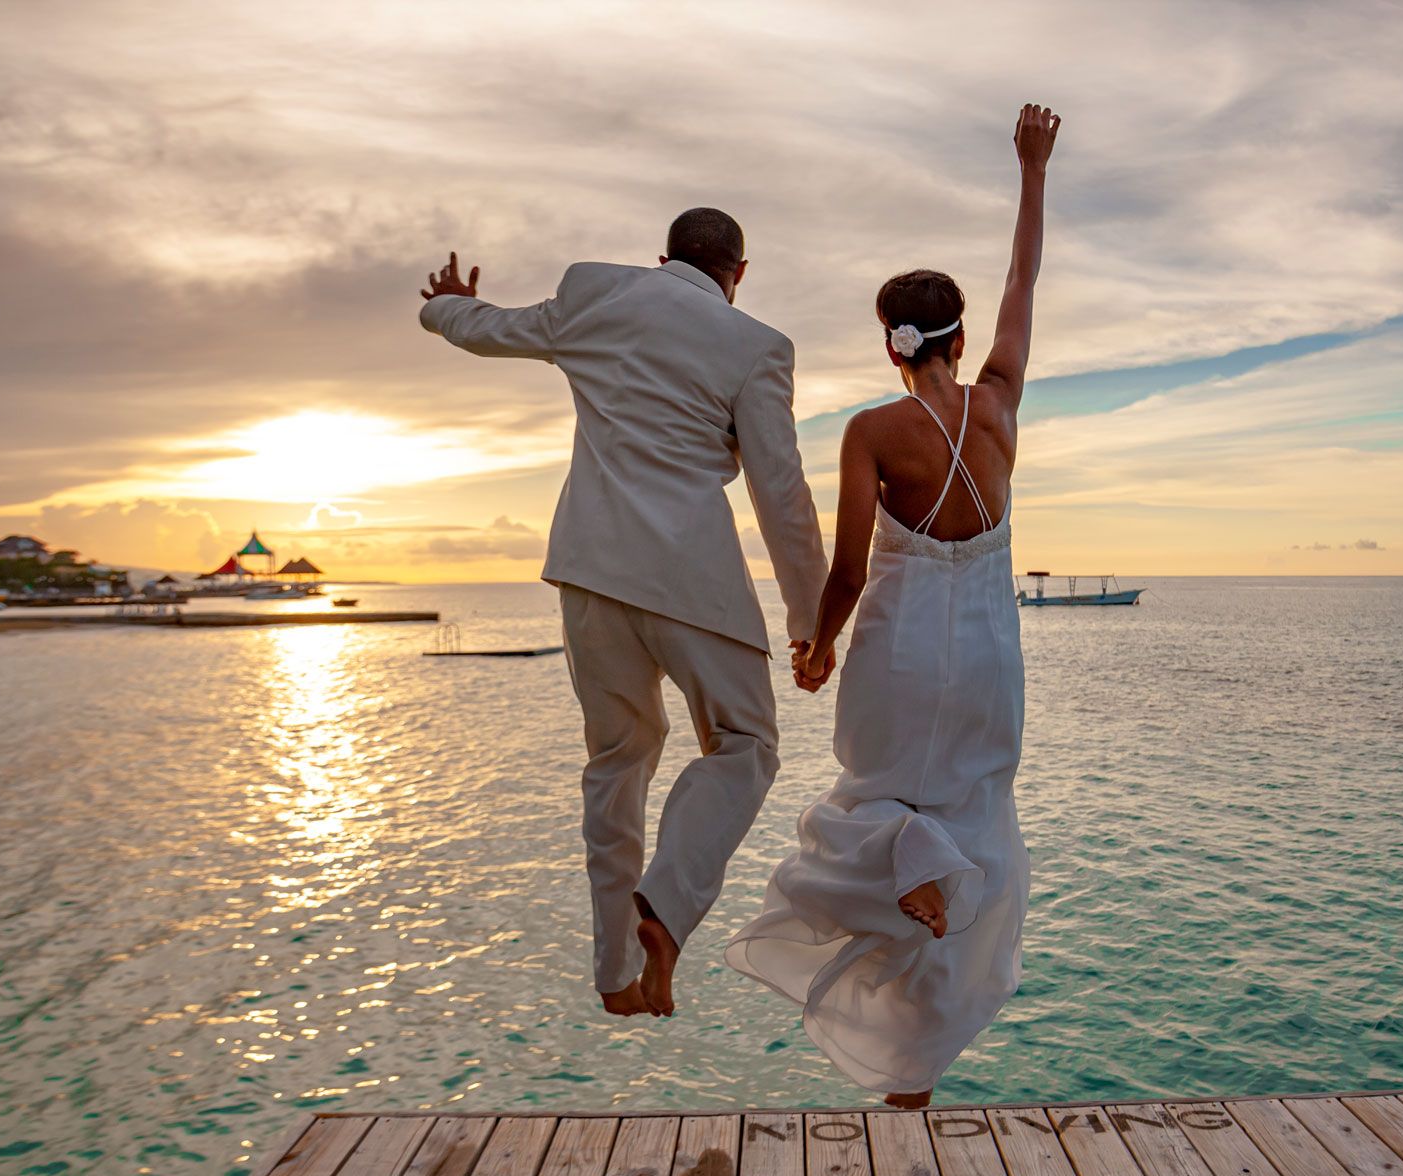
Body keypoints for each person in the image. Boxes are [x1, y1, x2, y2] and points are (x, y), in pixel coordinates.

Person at [726, 104, 1060, 1107]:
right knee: (975, 819)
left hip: (903, 649)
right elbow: (1022, 281)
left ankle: (903, 856)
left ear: (890, 345)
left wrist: (815, 645)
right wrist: (1031, 169)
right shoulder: (998, 404)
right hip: (989, 657)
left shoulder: (873, 429)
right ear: (958, 340)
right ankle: (912, 1075)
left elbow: (849, 569)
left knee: (868, 803)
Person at [417, 209, 826, 1019]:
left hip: (590, 577)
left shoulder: (593, 292)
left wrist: (443, 305)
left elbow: (489, 329)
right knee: (744, 745)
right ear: (738, 273)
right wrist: (809, 619)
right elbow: (780, 495)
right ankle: (666, 907)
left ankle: (614, 975)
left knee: (617, 762)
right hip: (692, 580)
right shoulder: (756, 346)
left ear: (663, 258)